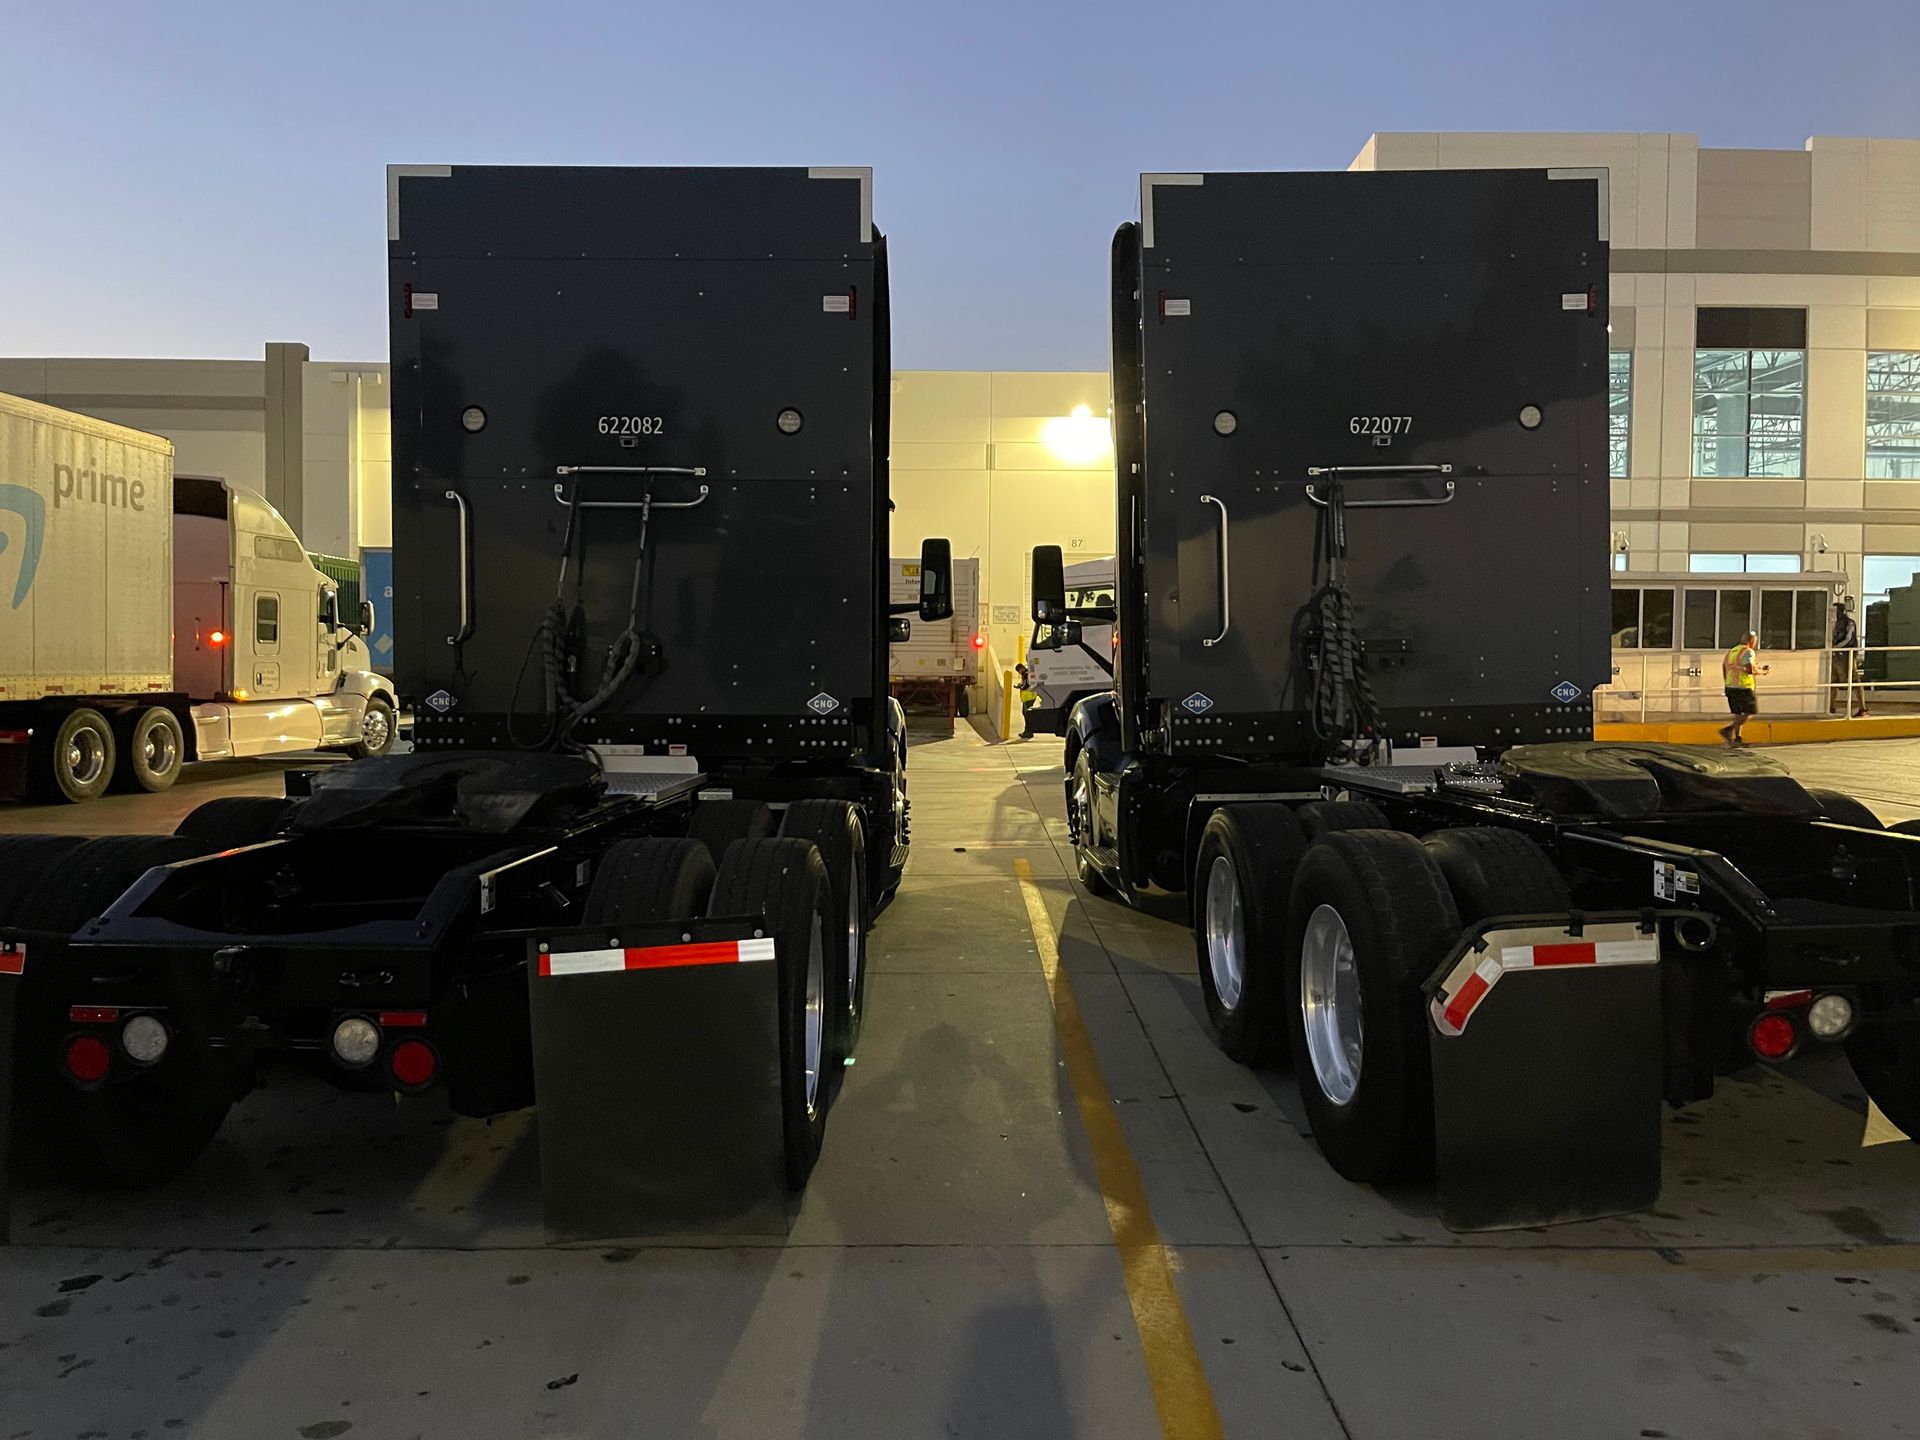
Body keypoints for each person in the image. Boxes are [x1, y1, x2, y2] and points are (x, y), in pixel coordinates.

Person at [1720, 630, 1768, 746]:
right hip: (1743, 687)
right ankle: (1728, 730)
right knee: (1750, 711)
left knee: (1738, 713)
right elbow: (1750, 669)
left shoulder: (1732, 651)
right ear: (1751, 640)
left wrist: (1726, 683)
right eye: (1755, 640)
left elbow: (1725, 667)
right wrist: (1763, 671)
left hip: (1730, 687)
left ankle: (1737, 738)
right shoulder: (1748, 651)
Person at [1831, 599, 1867, 717]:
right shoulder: (1832, 622)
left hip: (1847, 655)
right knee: (1832, 681)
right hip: (1834, 655)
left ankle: (1862, 708)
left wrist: (1834, 647)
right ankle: (1830, 706)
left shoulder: (1849, 623)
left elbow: (1848, 638)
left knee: (1854, 680)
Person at [1015, 663, 1039, 740]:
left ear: (1020, 669)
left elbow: (1025, 685)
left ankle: (1028, 731)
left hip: (1028, 697)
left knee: (1027, 714)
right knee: (1025, 713)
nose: (1019, 673)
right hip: (1030, 696)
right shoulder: (1029, 673)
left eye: (1018, 671)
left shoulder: (1025, 674)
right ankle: (1028, 731)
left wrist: (1019, 686)